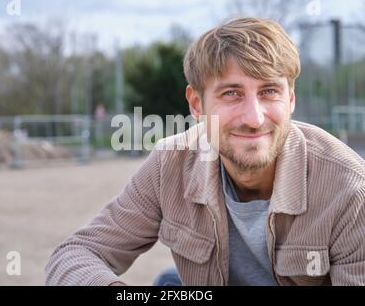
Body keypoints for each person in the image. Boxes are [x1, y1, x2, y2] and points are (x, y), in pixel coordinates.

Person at [45, 17, 365, 286]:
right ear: (197, 104)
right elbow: (77, 253)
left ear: (291, 99)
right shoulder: (170, 163)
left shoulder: (349, 189)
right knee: (170, 284)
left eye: (269, 91)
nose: (254, 119)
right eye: (231, 94)